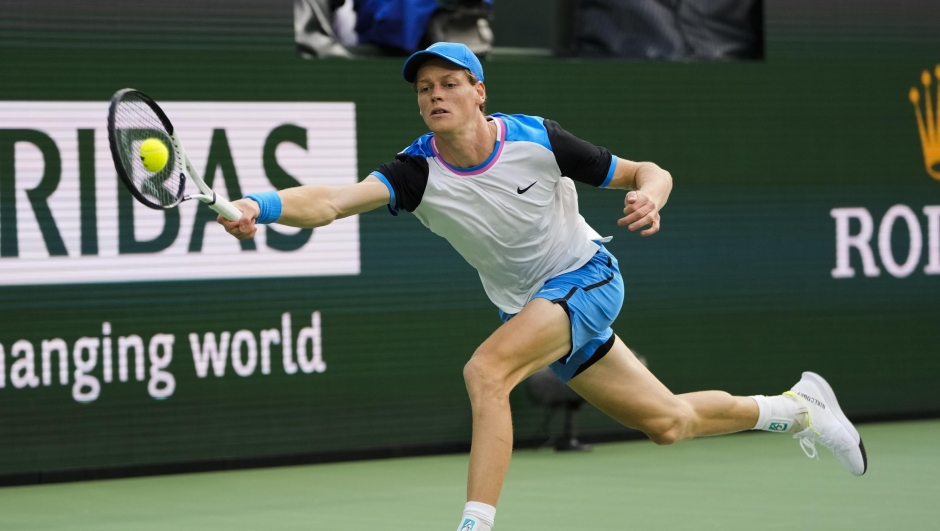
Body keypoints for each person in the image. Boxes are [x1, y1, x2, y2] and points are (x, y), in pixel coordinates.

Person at [218, 42, 867, 531]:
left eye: (449, 83)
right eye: (424, 88)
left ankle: (474, 524)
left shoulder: (537, 139)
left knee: (486, 371)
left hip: (588, 278)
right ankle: (801, 406)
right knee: (669, 421)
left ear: (479, 92)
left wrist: (651, 196)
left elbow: (647, 169)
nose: (434, 94)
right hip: (536, 312)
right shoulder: (416, 171)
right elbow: (331, 200)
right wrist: (259, 204)